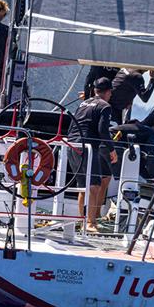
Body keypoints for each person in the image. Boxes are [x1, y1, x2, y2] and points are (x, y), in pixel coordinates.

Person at [67, 77, 118, 232]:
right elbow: (103, 130)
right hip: (87, 147)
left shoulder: (84, 103)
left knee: (83, 186)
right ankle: (90, 223)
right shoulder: (105, 106)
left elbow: (72, 125)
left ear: (95, 90)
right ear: (108, 92)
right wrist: (112, 149)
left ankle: (82, 220)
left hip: (72, 145)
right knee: (95, 185)